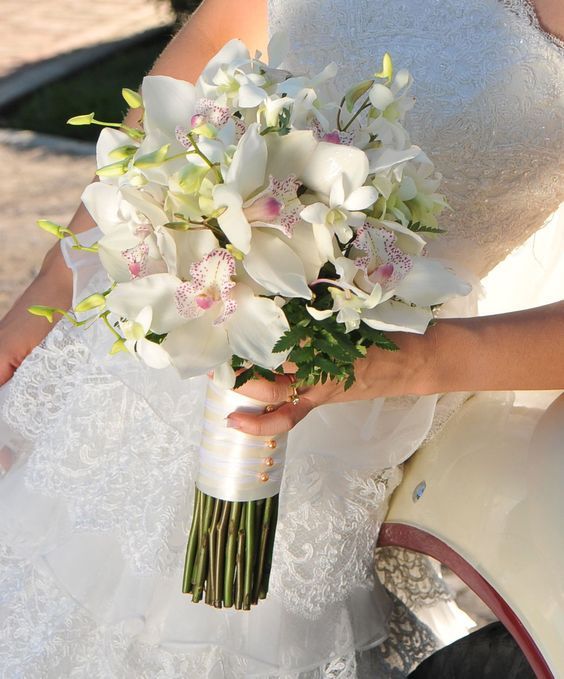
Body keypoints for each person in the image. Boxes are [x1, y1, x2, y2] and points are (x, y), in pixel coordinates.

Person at [0, 0, 562, 676]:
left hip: (331, 402)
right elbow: (216, 38)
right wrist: (54, 282)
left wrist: (411, 363)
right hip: (138, 352)